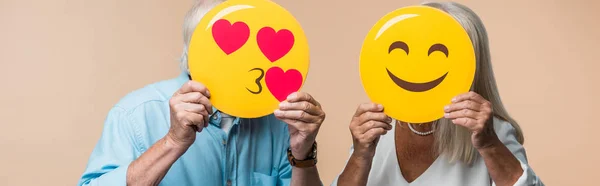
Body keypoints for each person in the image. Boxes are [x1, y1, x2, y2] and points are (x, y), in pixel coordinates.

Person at [77, 0, 325, 185]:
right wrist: (172, 142)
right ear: (192, 54)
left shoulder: (279, 121)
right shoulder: (135, 115)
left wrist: (303, 153)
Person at [333, 2, 543, 186]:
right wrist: (361, 155)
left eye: (439, 54)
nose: (421, 65)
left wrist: (489, 144)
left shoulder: (493, 133)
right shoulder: (378, 130)